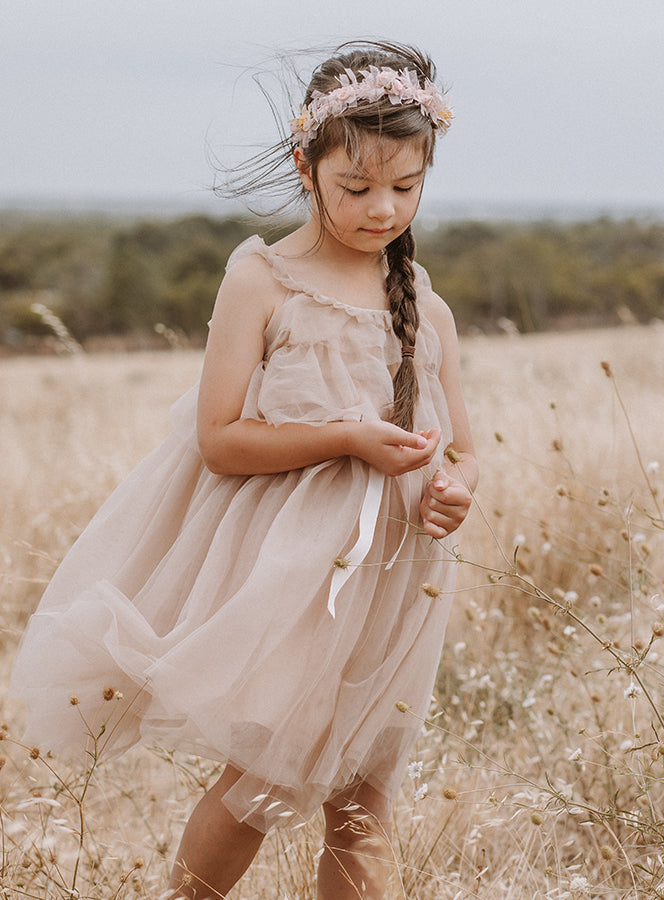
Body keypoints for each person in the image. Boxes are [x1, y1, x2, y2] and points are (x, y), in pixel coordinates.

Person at [11, 40, 478, 899]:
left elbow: (466, 448)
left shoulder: (428, 306)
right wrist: (345, 437)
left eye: (405, 189)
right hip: (294, 572)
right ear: (307, 165)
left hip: (397, 578)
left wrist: (454, 491)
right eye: (357, 187)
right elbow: (221, 436)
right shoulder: (262, 279)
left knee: (365, 794)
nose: (383, 208)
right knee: (264, 775)